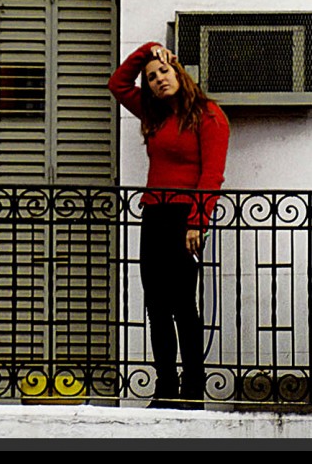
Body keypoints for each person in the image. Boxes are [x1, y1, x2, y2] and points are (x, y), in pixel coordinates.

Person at [108, 41, 229, 409]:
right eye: (152, 77)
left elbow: (212, 175)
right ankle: (165, 387)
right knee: (156, 306)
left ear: (179, 72)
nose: (159, 80)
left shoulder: (209, 116)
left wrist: (197, 222)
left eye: (163, 71)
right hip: (154, 215)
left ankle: (193, 388)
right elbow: (117, 85)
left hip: (184, 219)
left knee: (183, 305)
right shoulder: (154, 114)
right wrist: (147, 51)